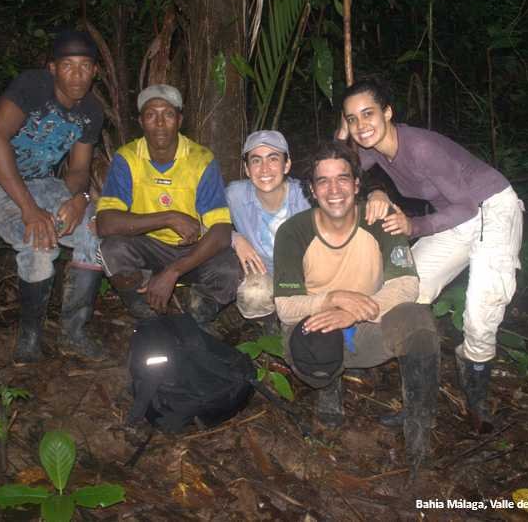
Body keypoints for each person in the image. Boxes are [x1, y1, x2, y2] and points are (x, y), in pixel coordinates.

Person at [338, 77, 524, 432]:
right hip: (454, 216)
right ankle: (418, 402)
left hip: (492, 209)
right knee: (406, 287)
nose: (361, 125)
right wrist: (376, 189)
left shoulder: (419, 147)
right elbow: (339, 167)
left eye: (368, 114)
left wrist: (415, 227)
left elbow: (468, 206)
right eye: (352, 119)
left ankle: (477, 405)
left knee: (482, 311)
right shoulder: (374, 147)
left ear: (388, 112)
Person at [273, 141, 439, 471]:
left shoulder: (379, 219)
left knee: (419, 322)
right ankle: (329, 386)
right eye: (323, 181)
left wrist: (356, 311)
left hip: (367, 324)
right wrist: (331, 300)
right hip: (315, 327)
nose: (334, 190)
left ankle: (419, 434)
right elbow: (286, 307)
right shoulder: (293, 231)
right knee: (319, 348)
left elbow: (406, 284)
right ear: (312, 189)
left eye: (343, 178)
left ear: (357, 184)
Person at [0, 30, 105, 364]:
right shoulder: (31, 87)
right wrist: (30, 210)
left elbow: (78, 170)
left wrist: (80, 199)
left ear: (95, 71)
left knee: (94, 229)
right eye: (67, 65)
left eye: (84, 65)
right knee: (39, 239)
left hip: (43, 182)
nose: (76, 74)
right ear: (52, 68)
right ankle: (29, 339)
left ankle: (73, 333)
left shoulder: (91, 110)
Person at [95, 84, 240, 330]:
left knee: (230, 270)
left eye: (168, 114)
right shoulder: (127, 158)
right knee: (112, 250)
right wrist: (169, 217)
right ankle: (146, 313)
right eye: (151, 115)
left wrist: (173, 271)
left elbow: (221, 231)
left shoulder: (200, 160)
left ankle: (196, 318)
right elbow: (105, 223)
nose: (160, 123)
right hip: (148, 245)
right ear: (141, 121)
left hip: (192, 251)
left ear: (180, 120)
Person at [225, 130, 310, 330]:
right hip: (265, 272)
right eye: (256, 161)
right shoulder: (235, 195)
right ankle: (269, 324)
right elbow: (203, 222)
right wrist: (235, 238)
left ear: (286, 164)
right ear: (246, 168)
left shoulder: (306, 196)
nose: (264, 169)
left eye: (273, 159)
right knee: (253, 295)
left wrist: (378, 194)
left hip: (304, 273)